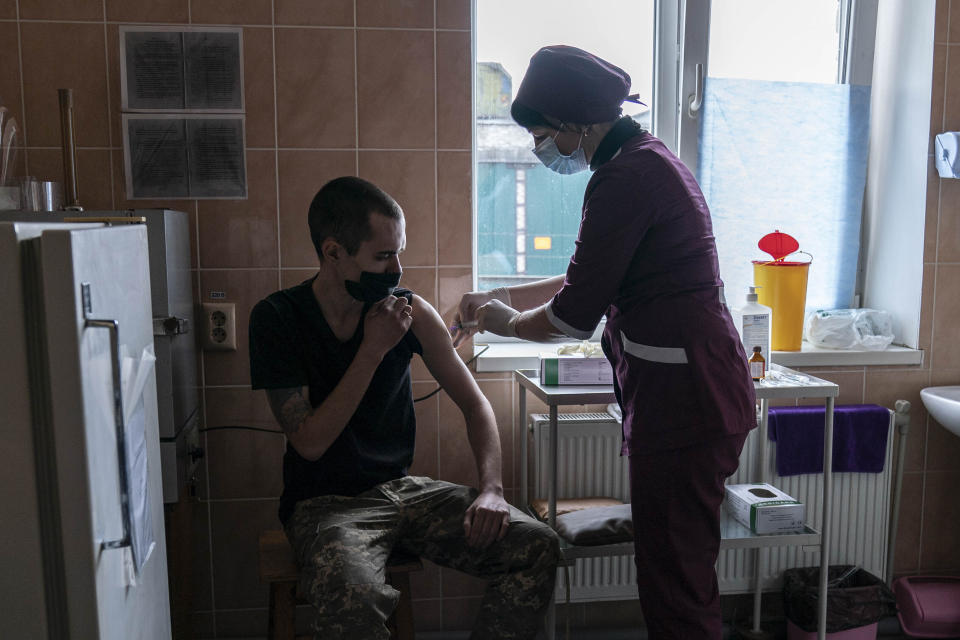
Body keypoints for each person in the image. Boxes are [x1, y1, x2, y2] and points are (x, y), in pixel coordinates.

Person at [453, 46, 757, 639]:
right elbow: (593, 274)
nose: (538, 147)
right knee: (676, 572)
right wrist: (504, 296)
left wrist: (503, 322)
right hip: (687, 397)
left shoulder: (626, 178)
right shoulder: (642, 162)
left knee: (676, 583)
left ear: (574, 124)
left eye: (541, 132)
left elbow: (571, 317)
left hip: (688, 402)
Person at [249, 176, 561, 640]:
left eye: (399, 253)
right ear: (333, 252)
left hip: (402, 493)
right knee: (355, 597)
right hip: (325, 506)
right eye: (382, 256)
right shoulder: (277, 319)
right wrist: (372, 350)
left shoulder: (409, 312)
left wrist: (492, 489)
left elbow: (476, 406)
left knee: (538, 545)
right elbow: (310, 443)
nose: (396, 269)